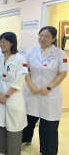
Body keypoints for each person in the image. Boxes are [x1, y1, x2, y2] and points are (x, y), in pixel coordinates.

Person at [22, 26, 68, 155]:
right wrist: (31, 86)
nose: (42, 38)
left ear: (53, 38)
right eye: (40, 35)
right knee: (28, 118)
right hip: (33, 91)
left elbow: (63, 73)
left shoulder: (60, 53)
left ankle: (48, 151)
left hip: (50, 94)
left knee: (49, 124)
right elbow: (26, 71)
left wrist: (49, 87)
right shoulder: (31, 52)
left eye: (46, 36)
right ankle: (25, 139)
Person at [0, 32, 28, 155]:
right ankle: (0, 150)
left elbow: (19, 80)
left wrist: (6, 96)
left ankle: (13, 152)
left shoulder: (20, 59)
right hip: (0, 98)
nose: (1, 44)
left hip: (12, 99)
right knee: (0, 125)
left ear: (12, 43)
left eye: (4, 41)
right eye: (0, 41)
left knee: (14, 128)